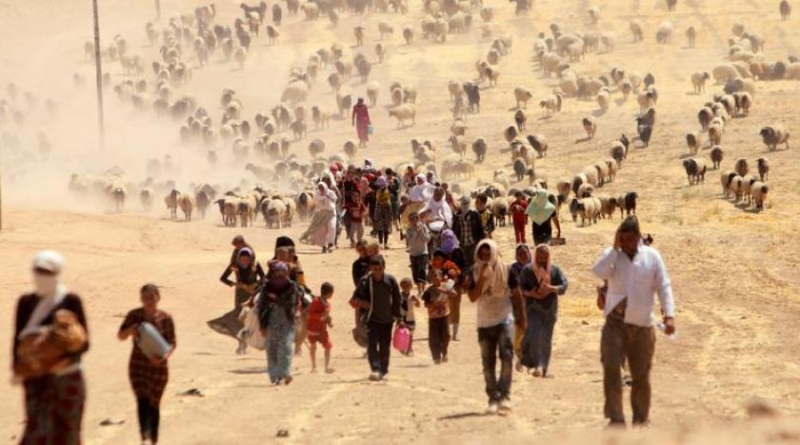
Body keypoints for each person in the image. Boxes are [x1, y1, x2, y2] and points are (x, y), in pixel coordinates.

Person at [592, 216, 676, 427]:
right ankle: (616, 418)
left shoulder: (652, 257)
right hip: (615, 323)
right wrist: (614, 249)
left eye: (630, 239)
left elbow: (663, 286)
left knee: (641, 375)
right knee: (611, 369)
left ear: (638, 237)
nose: (627, 244)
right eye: (623, 239)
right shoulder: (612, 256)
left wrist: (669, 315)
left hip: (642, 324)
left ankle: (641, 418)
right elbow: (598, 272)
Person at [13, 251, 89, 445]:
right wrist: (18, 368)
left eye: (47, 272)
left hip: (67, 378)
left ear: (57, 273)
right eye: (38, 271)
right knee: (36, 432)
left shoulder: (71, 301)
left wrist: (62, 361)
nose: (42, 277)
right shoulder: (26, 303)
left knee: (68, 434)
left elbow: (84, 343)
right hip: (35, 379)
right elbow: (17, 340)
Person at [466, 240, 524, 416]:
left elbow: (516, 294)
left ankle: (504, 395)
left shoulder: (506, 270)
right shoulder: (473, 272)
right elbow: (472, 297)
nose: (485, 257)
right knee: (488, 362)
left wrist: (522, 318)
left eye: (488, 253)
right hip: (484, 321)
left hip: (504, 318)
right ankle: (493, 397)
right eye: (481, 254)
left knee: (507, 355)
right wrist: (482, 278)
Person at [118, 284, 177, 445]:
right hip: (138, 366)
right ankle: (144, 437)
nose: (148, 301)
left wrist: (162, 358)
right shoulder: (134, 316)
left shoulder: (166, 318)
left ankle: (153, 440)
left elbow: (172, 343)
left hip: (159, 369)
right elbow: (120, 336)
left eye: (151, 297)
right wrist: (130, 330)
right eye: (145, 298)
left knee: (154, 403)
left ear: (158, 297)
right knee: (142, 399)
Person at [519, 244, 568, 378]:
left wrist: (551, 288)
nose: (541, 258)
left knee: (546, 339)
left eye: (544, 255)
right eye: (539, 254)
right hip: (533, 308)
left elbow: (564, 285)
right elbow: (519, 287)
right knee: (535, 335)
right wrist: (531, 294)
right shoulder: (528, 270)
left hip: (549, 309)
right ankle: (537, 365)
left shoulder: (555, 270)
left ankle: (543, 366)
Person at [350, 255, 402, 381]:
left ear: (384, 268)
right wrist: (362, 303)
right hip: (371, 319)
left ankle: (383, 370)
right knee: (372, 346)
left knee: (385, 346)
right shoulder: (365, 281)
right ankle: (376, 369)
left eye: (379, 269)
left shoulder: (390, 281)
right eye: (374, 269)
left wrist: (398, 316)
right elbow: (355, 298)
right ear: (370, 269)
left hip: (387, 319)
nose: (377, 271)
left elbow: (397, 298)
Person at [258, 262, 303, 385]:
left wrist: (275, 298)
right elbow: (261, 307)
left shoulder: (291, 286)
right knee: (271, 349)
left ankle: (285, 374)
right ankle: (274, 377)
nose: (280, 275)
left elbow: (290, 304)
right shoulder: (266, 287)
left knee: (286, 347)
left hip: (287, 321)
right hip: (271, 321)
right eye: (277, 272)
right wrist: (262, 325)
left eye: (282, 272)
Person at [218, 248, 265, 354]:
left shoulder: (255, 265)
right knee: (241, 318)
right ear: (239, 258)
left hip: (253, 293)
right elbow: (223, 278)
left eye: (247, 259)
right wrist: (236, 284)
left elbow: (264, 278)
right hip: (240, 295)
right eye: (243, 259)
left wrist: (255, 284)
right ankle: (242, 344)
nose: (245, 262)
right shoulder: (235, 266)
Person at [435, 229, 468, 341]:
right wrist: (443, 275)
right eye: (445, 238)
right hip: (443, 283)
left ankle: (455, 332)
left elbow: (464, 266)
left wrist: (459, 276)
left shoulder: (459, 251)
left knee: (456, 306)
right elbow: (436, 267)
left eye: (449, 237)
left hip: (457, 283)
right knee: (444, 306)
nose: (447, 240)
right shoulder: (439, 252)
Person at [422, 270, 455, 364]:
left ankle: (444, 353)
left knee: (446, 335)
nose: (434, 278)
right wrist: (434, 305)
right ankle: (436, 357)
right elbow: (426, 304)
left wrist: (443, 291)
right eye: (432, 276)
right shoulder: (429, 290)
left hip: (444, 315)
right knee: (434, 338)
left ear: (440, 277)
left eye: (436, 276)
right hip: (433, 317)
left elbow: (454, 294)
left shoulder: (446, 286)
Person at [509, 244, 532, 372]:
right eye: (520, 254)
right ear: (516, 256)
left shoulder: (536, 267)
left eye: (525, 253)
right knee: (517, 334)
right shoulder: (513, 269)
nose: (524, 256)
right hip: (517, 305)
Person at [302, 182, 339, 253]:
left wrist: (327, 196)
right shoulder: (317, 194)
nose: (321, 189)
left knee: (332, 227)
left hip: (331, 213)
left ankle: (331, 244)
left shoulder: (331, 193)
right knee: (322, 230)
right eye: (320, 188)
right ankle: (324, 246)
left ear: (325, 187)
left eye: (322, 188)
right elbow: (316, 200)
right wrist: (323, 196)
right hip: (321, 214)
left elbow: (335, 199)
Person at [308, 282, 335, 374]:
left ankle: (326, 367)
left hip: (322, 329)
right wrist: (321, 315)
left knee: (328, 346)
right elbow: (310, 314)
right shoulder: (316, 302)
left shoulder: (327, 304)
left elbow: (326, 316)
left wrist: (329, 321)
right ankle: (313, 366)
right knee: (313, 346)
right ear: (329, 293)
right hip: (312, 328)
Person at [452, 196, 484, 269]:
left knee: (473, 262)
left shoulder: (475, 215)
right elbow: (454, 229)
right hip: (461, 243)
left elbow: (480, 229)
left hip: (473, 242)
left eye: (466, 203)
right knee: (464, 263)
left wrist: (481, 242)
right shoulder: (457, 216)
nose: (464, 205)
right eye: (463, 203)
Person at [406, 212, 431, 295]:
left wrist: (421, 232)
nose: (413, 221)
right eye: (411, 219)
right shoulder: (409, 230)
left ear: (418, 219)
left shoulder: (423, 227)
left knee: (422, 270)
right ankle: (419, 289)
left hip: (423, 252)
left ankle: (423, 289)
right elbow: (410, 243)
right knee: (415, 272)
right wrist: (416, 233)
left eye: (415, 218)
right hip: (413, 253)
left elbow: (427, 239)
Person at [399, 278, 421, 356]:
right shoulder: (399, 296)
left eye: (407, 286)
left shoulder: (412, 296)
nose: (406, 288)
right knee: (402, 334)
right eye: (404, 286)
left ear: (411, 286)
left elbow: (418, 305)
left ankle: (409, 349)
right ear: (401, 287)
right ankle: (402, 347)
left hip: (411, 318)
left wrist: (417, 301)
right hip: (401, 318)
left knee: (410, 335)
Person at [373, 177, 393, 249]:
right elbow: (378, 201)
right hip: (380, 210)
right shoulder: (379, 191)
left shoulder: (387, 190)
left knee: (386, 228)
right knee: (380, 228)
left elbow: (386, 199)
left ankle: (386, 243)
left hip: (386, 210)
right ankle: (381, 243)